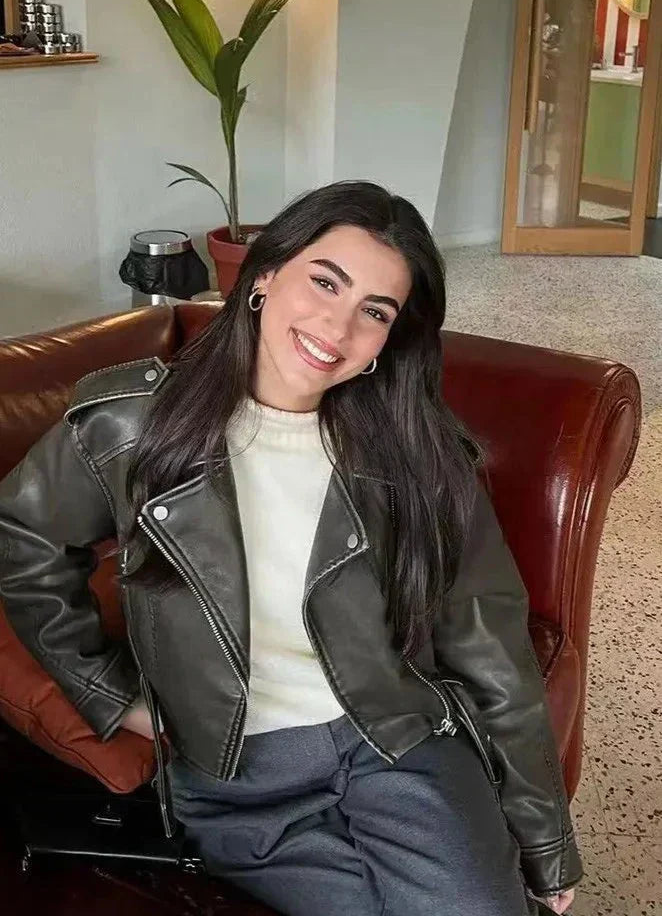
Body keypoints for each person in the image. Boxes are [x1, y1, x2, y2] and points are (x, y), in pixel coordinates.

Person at [0, 181, 582, 915]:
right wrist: (112, 695)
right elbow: (23, 538)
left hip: (397, 743)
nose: (338, 327)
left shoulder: (422, 455)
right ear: (265, 276)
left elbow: (491, 645)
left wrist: (546, 841)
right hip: (236, 781)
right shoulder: (128, 425)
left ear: (389, 340)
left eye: (375, 311)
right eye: (325, 282)